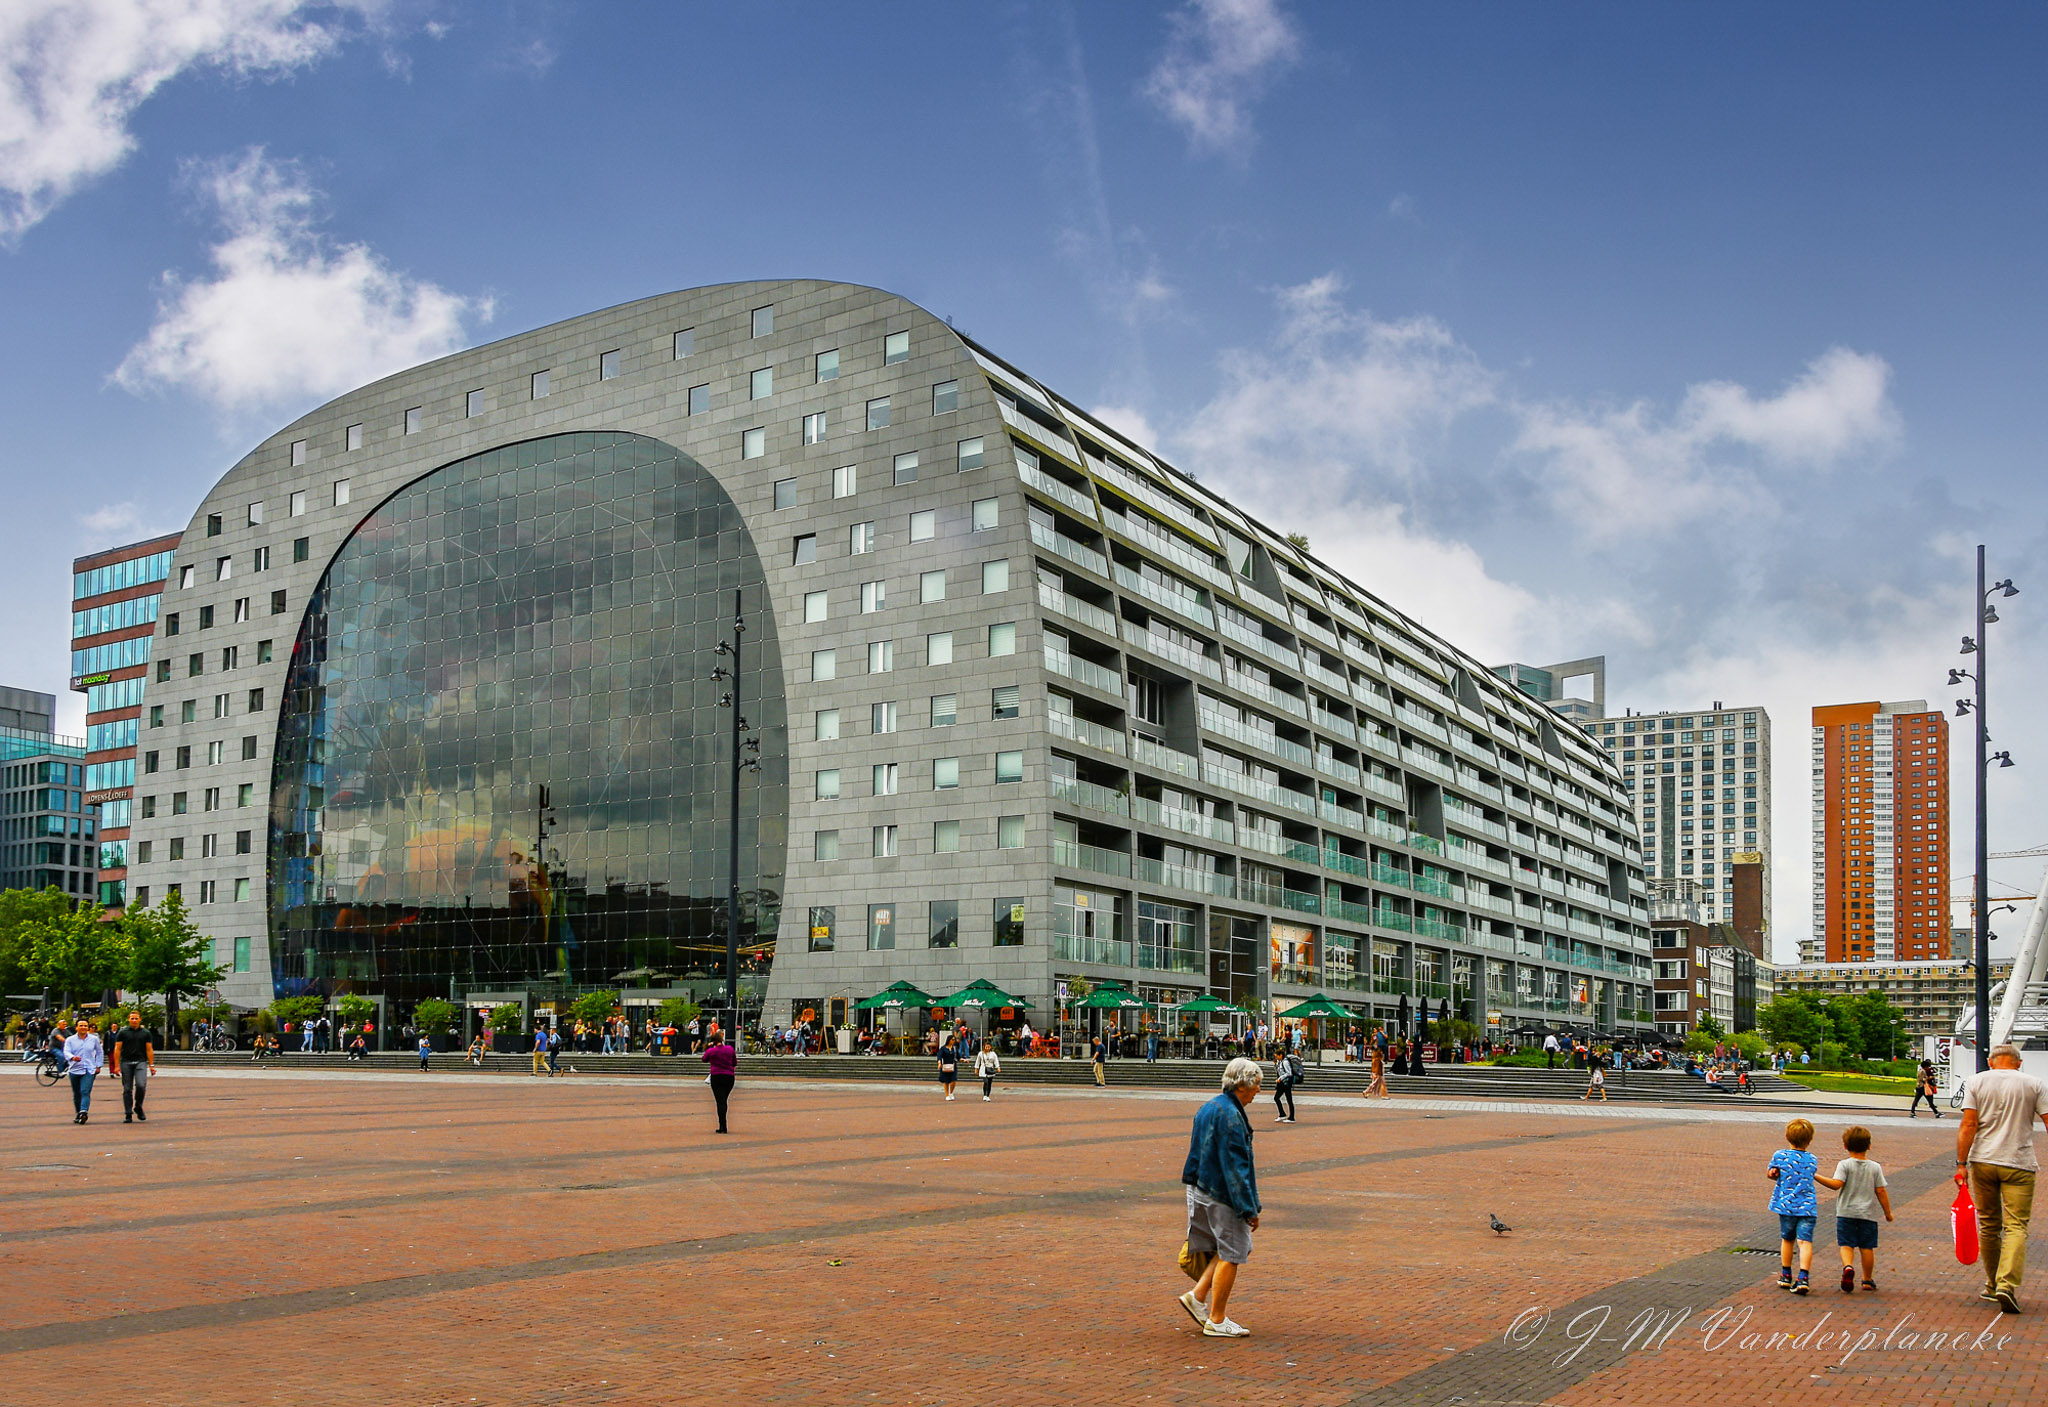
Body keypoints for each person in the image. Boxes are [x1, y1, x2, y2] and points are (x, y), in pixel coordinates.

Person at [1956, 1042, 2048, 1313]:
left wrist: (1961, 1164)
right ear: (2019, 1063)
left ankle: (1992, 1284)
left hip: (1983, 1160)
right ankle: (2007, 1284)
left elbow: (1969, 1124)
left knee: (1989, 1224)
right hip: (2019, 1162)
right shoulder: (2034, 1084)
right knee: (2016, 1226)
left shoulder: (1976, 1082)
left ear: (1991, 1061)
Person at [1177, 1057, 1263, 1339]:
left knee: (1229, 1248)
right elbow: (1236, 1168)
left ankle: (1198, 1295)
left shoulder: (1210, 1107)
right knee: (1233, 1252)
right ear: (1242, 1085)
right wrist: (1249, 1208)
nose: (1258, 1090)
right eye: (1256, 1085)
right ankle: (1216, 1318)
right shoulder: (1231, 1116)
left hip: (1200, 1186)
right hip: (1221, 1193)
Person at [1815, 1125, 1892, 1293]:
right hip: (1867, 1215)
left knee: (1846, 1244)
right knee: (1867, 1247)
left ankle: (1848, 1266)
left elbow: (1836, 1184)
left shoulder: (1844, 1165)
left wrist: (1816, 1176)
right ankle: (1867, 1280)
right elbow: (1881, 1191)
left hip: (1846, 1213)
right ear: (1869, 1146)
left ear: (1845, 1146)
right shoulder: (1875, 1167)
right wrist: (1887, 1212)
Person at [1767, 1117, 1822, 1294]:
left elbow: (1772, 1173)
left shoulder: (1779, 1155)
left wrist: (1774, 1173)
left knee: (1787, 1239)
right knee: (1805, 1241)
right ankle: (1803, 1277)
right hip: (1807, 1207)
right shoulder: (1812, 1159)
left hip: (1787, 1206)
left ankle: (1786, 1274)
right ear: (1810, 1140)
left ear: (1787, 1136)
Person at [109, 1010, 155, 1124]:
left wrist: (151, 1065)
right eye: (132, 1018)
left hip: (140, 1061)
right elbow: (117, 1049)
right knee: (127, 1088)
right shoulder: (123, 1033)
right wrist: (116, 1066)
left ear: (140, 1019)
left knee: (141, 1085)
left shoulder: (146, 1033)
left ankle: (138, 1106)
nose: (134, 1020)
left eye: (136, 1018)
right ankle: (128, 1113)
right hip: (126, 1062)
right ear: (129, 1020)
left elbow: (149, 1049)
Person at [62, 1018, 104, 1124]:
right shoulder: (70, 1040)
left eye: (85, 1025)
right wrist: (72, 1057)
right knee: (77, 1093)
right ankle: (78, 1113)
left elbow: (99, 1052)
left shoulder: (94, 1039)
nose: (83, 1027)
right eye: (81, 1025)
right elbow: (66, 1052)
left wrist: (98, 1065)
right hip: (74, 1069)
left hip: (89, 1069)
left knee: (85, 1091)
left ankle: (83, 1112)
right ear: (76, 1028)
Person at [701, 1030, 736, 1133]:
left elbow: (704, 1059)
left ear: (713, 1041)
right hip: (729, 1076)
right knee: (724, 1099)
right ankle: (723, 1124)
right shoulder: (730, 1049)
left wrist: (708, 1048)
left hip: (716, 1076)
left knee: (720, 1101)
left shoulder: (712, 1051)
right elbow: (734, 1062)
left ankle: (722, 1125)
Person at [1272, 1048, 1300, 1123]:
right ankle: (1282, 1114)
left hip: (1286, 1083)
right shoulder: (1279, 1062)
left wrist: (1280, 1078)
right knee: (1276, 1098)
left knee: (1289, 1100)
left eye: (1277, 1056)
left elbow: (1289, 1073)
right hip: (1281, 1083)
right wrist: (1275, 1065)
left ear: (1281, 1055)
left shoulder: (1285, 1062)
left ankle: (1291, 1117)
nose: (1276, 1057)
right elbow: (1279, 1071)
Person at [1362, 1034, 1388, 1100]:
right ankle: (1367, 1091)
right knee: (1376, 1082)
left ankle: (1378, 1094)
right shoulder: (1377, 1052)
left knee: (1379, 1082)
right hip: (1377, 1068)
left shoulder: (1375, 1052)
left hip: (1378, 1067)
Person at [938, 1036, 960, 1101]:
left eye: (954, 1040)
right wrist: (939, 1063)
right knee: (946, 1081)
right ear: (949, 1040)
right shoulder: (943, 1048)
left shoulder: (954, 1048)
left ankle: (951, 1093)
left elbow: (958, 1057)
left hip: (953, 1065)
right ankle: (947, 1094)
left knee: (954, 1080)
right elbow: (939, 1056)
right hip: (945, 1065)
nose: (953, 1041)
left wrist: (964, 1060)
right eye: (952, 1039)